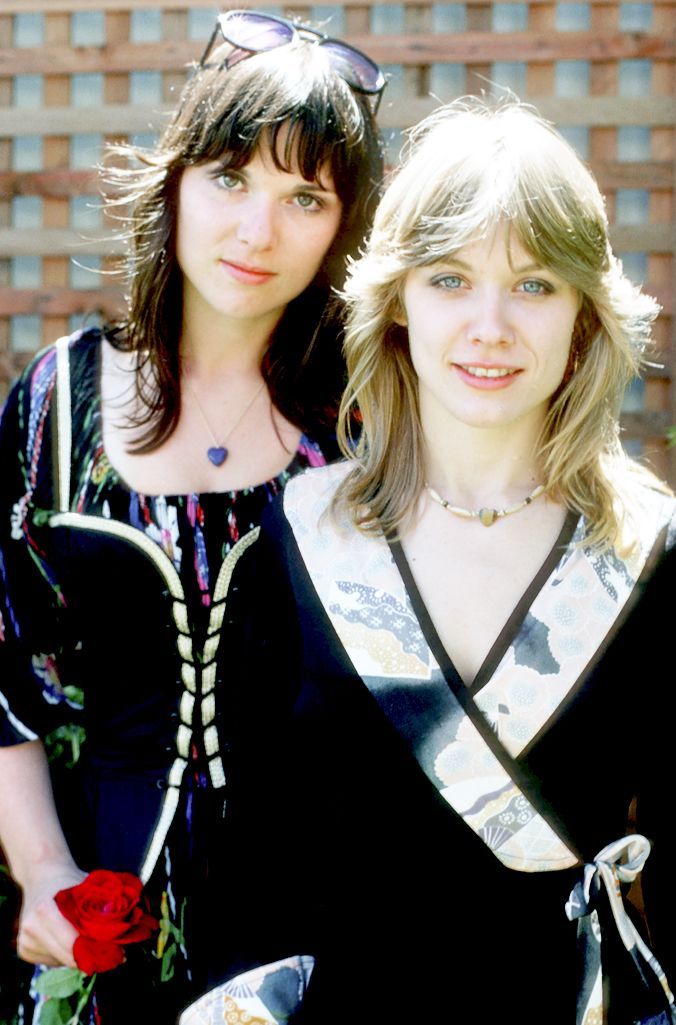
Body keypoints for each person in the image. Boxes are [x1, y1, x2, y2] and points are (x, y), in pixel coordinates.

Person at [185, 97, 676, 1025]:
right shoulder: (296, 544)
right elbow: (245, 871)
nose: (490, 325)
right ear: (398, 303)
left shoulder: (648, 554)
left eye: (534, 285)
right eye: (449, 279)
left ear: (582, 314)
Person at [0, 9, 385, 1022]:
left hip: (325, 942)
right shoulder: (58, 403)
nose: (258, 231)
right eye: (229, 178)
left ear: (344, 225)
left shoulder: (367, 417)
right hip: (100, 929)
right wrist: (41, 871)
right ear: (174, 178)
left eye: (305, 196)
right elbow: (0, 675)